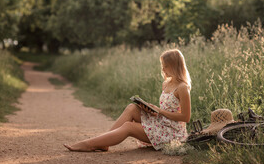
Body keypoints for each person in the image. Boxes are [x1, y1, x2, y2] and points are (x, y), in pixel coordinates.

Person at [63, 49, 191, 152]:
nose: (163, 69)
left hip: (172, 132)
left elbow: (185, 117)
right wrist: (153, 110)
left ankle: (89, 144)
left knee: (129, 127)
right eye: (162, 66)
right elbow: (166, 109)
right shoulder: (166, 83)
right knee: (132, 108)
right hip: (162, 122)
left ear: (175, 66)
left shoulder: (182, 88)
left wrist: (160, 111)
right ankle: (103, 143)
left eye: (166, 66)